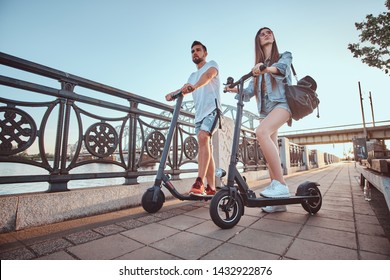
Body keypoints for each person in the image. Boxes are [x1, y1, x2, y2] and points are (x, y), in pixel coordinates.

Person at [224, 27, 292, 213]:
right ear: (258, 41)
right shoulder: (257, 68)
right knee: (271, 155)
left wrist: (265, 69)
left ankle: (281, 185)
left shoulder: (284, 56)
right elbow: (248, 93)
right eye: (262, 34)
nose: (266, 34)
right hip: (266, 111)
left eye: (269, 32)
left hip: (284, 104)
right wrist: (233, 89)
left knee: (261, 132)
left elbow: (282, 70)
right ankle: (280, 202)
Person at [165, 41, 221, 196]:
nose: (195, 53)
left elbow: (208, 76)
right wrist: (174, 93)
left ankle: (199, 182)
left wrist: (195, 86)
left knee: (203, 137)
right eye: (192, 51)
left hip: (212, 111)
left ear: (205, 53)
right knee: (205, 146)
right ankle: (211, 188)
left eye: (198, 50)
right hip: (199, 116)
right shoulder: (191, 75)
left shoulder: (212, 64)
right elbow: (185, 88)